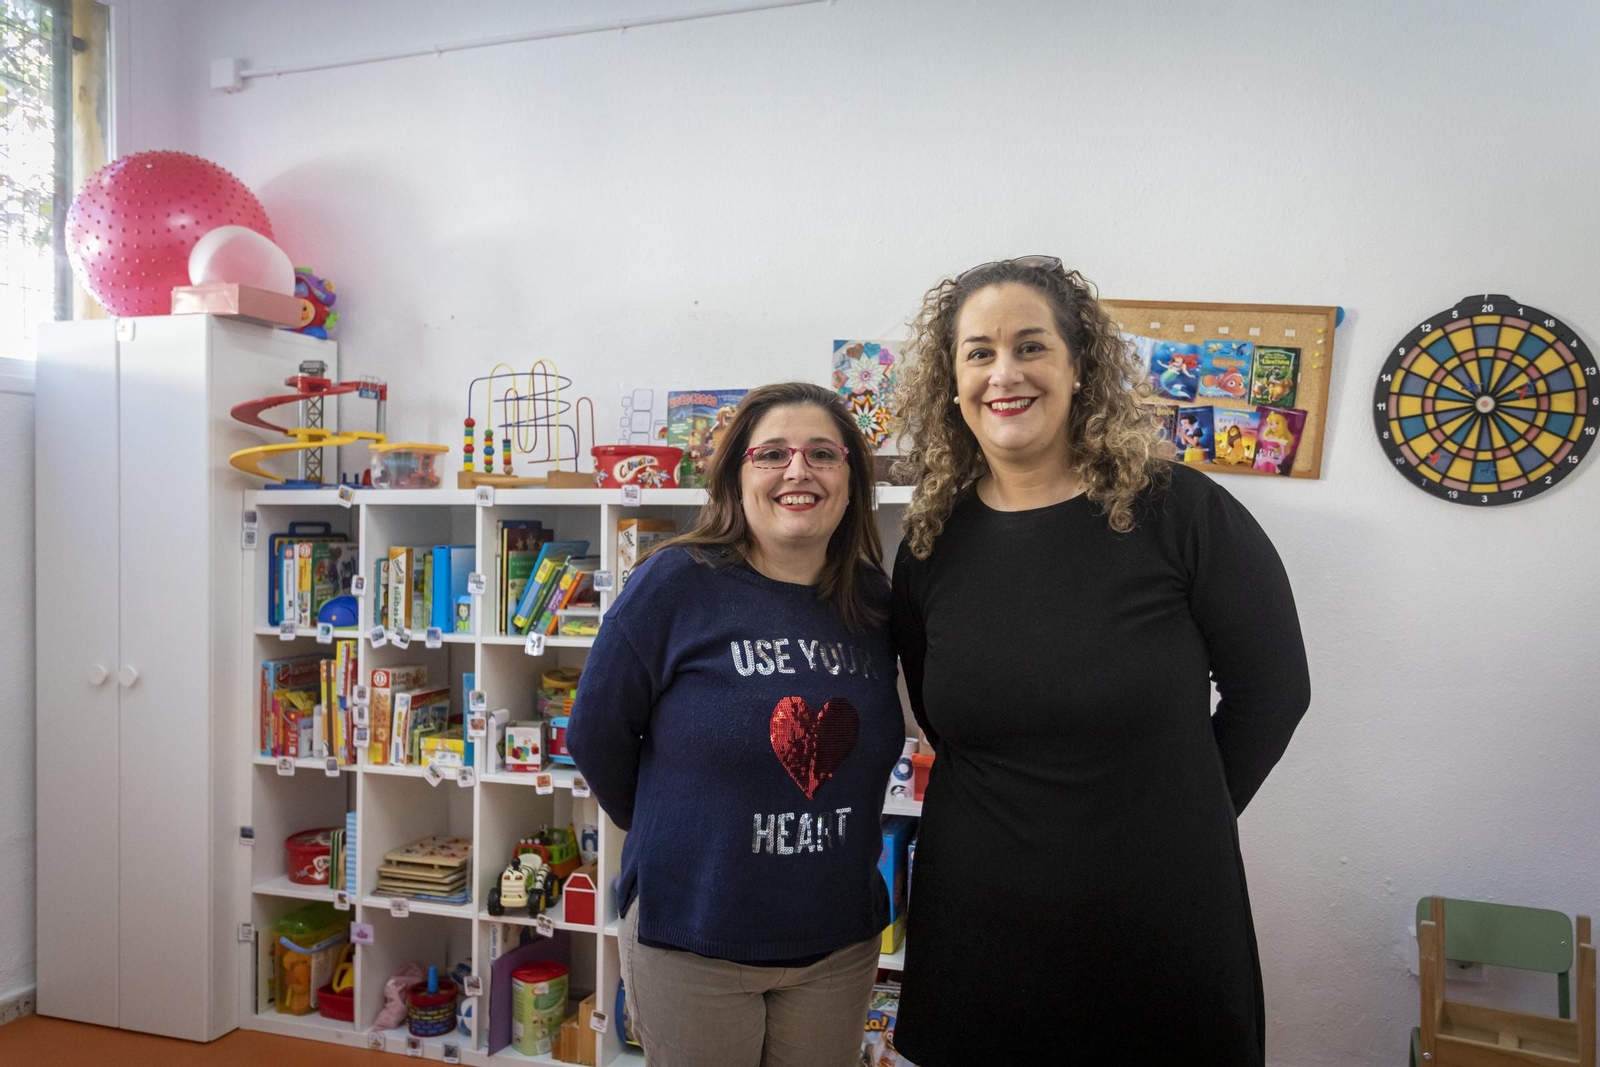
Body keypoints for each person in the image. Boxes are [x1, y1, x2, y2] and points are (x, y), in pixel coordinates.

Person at [889, 257, 1312, 1065]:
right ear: (950, 381)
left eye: (1030, 346)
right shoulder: (931, 543)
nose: (1003, 373)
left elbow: (1274, 692)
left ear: (1079, 366)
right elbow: (939, 716)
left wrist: (1186, 819)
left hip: (1160, 919)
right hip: (980, 926)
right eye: (977, 352)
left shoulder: (1179, 511)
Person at [567, 381, 902, 1067]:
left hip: (836, 941)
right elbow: (594, 734)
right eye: (772, 453)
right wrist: (679, 828)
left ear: (851, 477)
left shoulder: (873, 598)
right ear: (736, 474)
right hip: (694, 933)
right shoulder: (675, 583)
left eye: (822, 454)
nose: (797, 471)